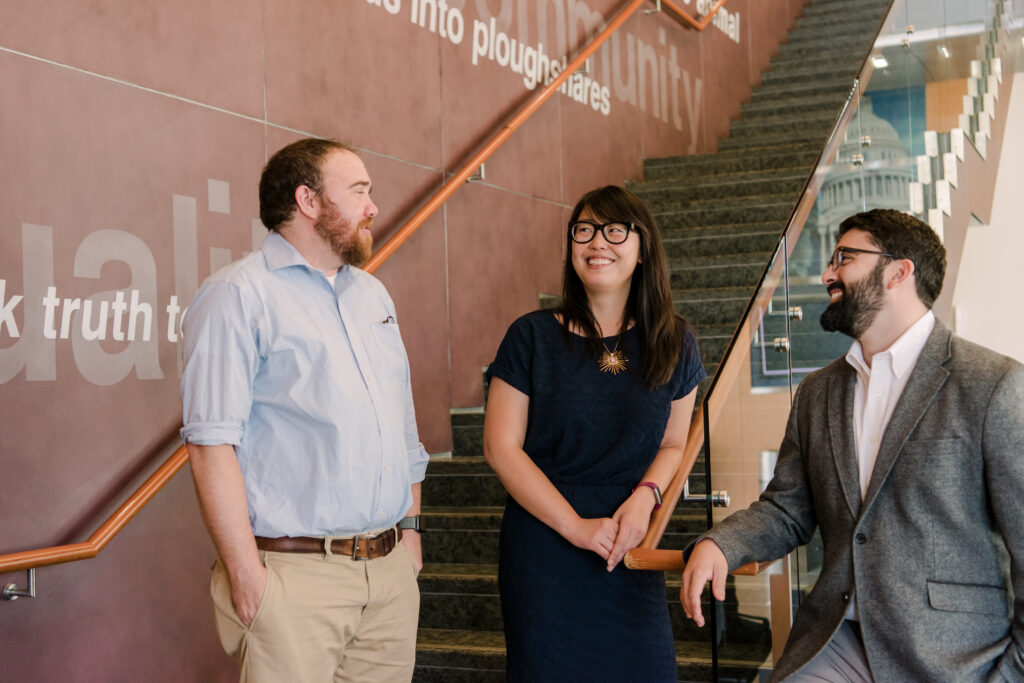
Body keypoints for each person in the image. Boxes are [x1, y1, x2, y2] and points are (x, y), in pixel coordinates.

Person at [681, 209, 1024, 681]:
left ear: (899, 272)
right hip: (839, 640)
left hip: (956, 657)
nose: (826, 273)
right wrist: (720, 545)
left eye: (844, 257)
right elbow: (787, 510)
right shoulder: (817, 393)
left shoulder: (993, 385)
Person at [180, 138, 429, 682]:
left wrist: (409, 536)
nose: (373, 207)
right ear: (308, 201)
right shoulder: (236, 295)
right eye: (359, 190)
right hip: (293, 582)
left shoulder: (373, 296)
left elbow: (403, 429)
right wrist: (248, 577)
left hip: (388, 576)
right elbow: (210, 445)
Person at [483, 185, 706, 681]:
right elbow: (501, 448)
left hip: (627, 544)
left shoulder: (675, 341)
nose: (595, 242)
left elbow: (674, 444)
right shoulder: (532, 336)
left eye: (613, 230)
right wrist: (575, 526)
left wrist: (646, 497)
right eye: (583, 230)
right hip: (545, 546)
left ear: (643, 248)